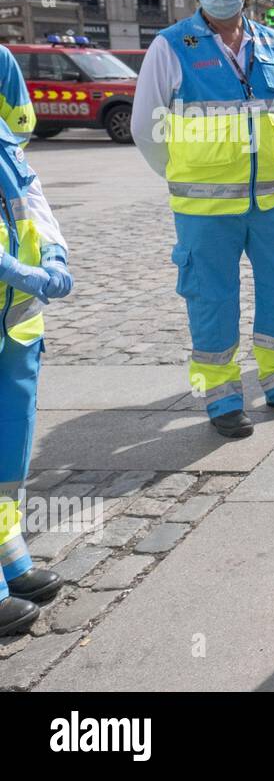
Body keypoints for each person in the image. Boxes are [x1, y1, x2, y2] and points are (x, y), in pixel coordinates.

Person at [131, 0, 274, 439]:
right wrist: (184, 176)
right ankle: (221, 399)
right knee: (212, 300)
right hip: (204, 206)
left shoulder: (272, 43)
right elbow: (145, 128)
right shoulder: (170, 46)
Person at [0, 43, 73, 635]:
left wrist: (52, 252)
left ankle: (6, 551)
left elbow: (30, 193)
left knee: (9, 446)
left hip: (16, 321)